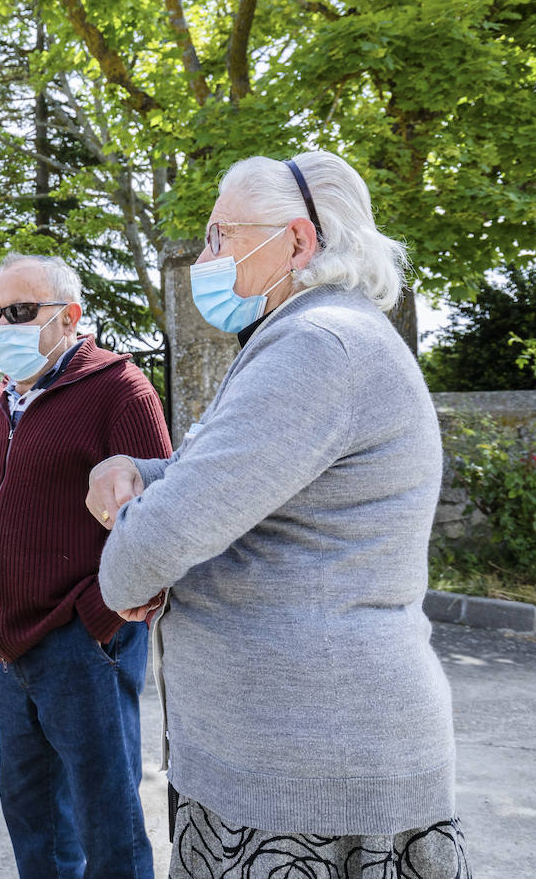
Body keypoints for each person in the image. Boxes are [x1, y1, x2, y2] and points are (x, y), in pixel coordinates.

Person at [86, 151, 470, 877]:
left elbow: (145, 554)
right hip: (308, 759)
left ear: (297, 241)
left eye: (218, 235)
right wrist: (143, 471)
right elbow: (260, 483)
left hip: (307, 779)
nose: (204, 257)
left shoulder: (315, 347)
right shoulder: (323, 334)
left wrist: (135, 542)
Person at [0, 253, 172, 879]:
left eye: (20, 313)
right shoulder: (2, 402)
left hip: (83, 648)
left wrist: (94, 616)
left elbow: (160, 517)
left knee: (110, 827)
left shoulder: (120, 391)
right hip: (7, 650)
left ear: (70, 317)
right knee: (34, 822)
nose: (2, 328)